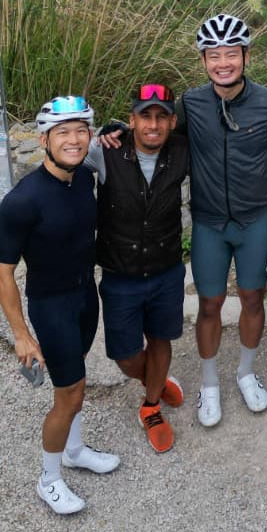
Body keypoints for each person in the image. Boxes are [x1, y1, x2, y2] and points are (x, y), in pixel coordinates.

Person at [0, 96, 120, 516]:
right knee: (68, 394)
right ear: (44, 139)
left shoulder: (85, 178)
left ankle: (75, 449)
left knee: (77, 379)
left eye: (81, 130)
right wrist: (21, 336)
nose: (74, 139)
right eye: (62, 132)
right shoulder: (23, 201)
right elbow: (2, 273)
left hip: (86, 295)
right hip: (51, 305)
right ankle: (49, 478)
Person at [181, 13, 267, 426]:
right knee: (209, 303)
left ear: (246, 55)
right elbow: (154, 137)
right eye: (214, 55)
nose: (223, 63)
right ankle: (209, 382)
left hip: (255, 222)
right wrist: (116, 131)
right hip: (210, 222)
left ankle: (246, 371)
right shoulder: (190, 103)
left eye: (231, 54)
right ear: (204, 61)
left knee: (251, 298)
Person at [86, 83, 188, 454]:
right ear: (131, 120)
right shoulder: (105, 152)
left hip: (166, 269)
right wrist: (101, 130)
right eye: (145, 115)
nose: (154, 125)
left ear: (173, 121)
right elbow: (63, 162)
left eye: (162, 116)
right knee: (124, 354)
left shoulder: (181, 150)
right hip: (120, 273)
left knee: (161, 339)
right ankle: (156, 383)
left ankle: (151, 405)